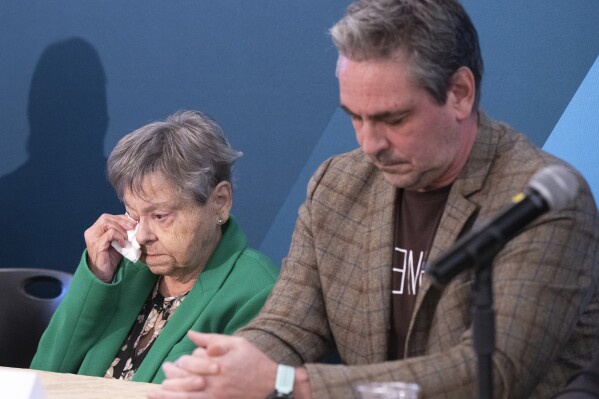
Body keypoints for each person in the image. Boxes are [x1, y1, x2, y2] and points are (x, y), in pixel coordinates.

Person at [149, 1, 599, 398]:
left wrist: (288, 385)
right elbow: (289, 326)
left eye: (393, 118)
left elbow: (492, 374)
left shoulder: (543, 201)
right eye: (355, 118)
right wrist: (222, 372)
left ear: (460, 93)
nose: (369, 143)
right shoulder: (340, 184)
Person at [30, 110, 279, 383]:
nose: (143, 235)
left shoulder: (258, 291)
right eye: (134, 216)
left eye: (160, 216)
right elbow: (42, 374)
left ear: (219, 201)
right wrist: (96, 281)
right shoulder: (123, 268)